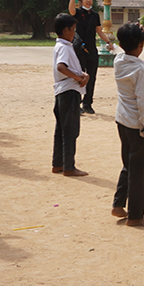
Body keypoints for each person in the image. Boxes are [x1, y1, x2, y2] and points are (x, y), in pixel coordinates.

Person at [111, 22, 144, 227]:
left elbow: (116, 49)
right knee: (139, 172)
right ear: (140, 45)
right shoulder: (140, 68)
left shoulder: (118, 60)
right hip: (136, 125)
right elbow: (143, 102)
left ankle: (119, 204)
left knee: (129, 165)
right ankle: (136, 216)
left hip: (122, 121)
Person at [53, 13, 89, 176]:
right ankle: (69, 166)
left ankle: (58, 163)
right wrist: (77, 78)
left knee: (61, 128)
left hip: (63, 91)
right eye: (73, 30)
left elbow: (68, 67)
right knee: (70, 130)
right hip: (69, 91)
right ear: (66, 30)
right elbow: (61, 67)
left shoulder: (62, 46)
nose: (74, 33)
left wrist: (82, 74)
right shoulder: (65, 47)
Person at [68, 0, 115, 115]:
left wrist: (108, 42)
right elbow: (70, 10)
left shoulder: (95, 15)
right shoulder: (77, 13)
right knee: (79, 76)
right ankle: (76, 104)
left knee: (92, 77)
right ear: (81, 1)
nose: (89, 1)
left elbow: (99, 31)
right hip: (80, 49)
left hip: (92, 50)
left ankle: (87, 104)